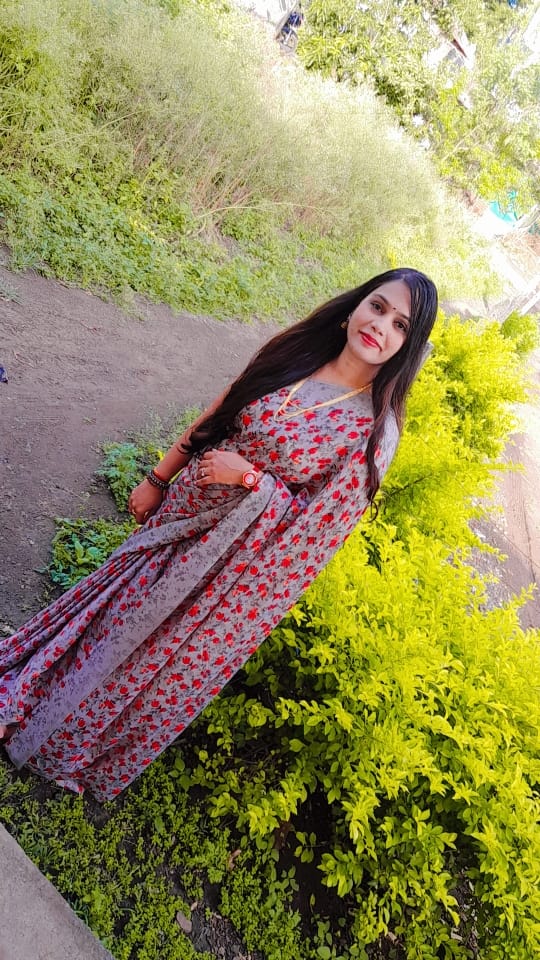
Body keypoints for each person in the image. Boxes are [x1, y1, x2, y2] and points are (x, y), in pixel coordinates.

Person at [0, 267, 438, 801]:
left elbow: (311, 537)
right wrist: (159, 477)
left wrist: (251, 480)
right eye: (378, 307)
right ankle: (23, 698)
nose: (380, 327)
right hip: (180, 516)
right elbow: (221, 409)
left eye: (400, 325)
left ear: (408, 345)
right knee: (111, 612)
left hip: (223, 569)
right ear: (356, 305)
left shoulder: (373, 434)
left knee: (139, 646)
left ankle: (47, 730)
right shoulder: (296, 352)